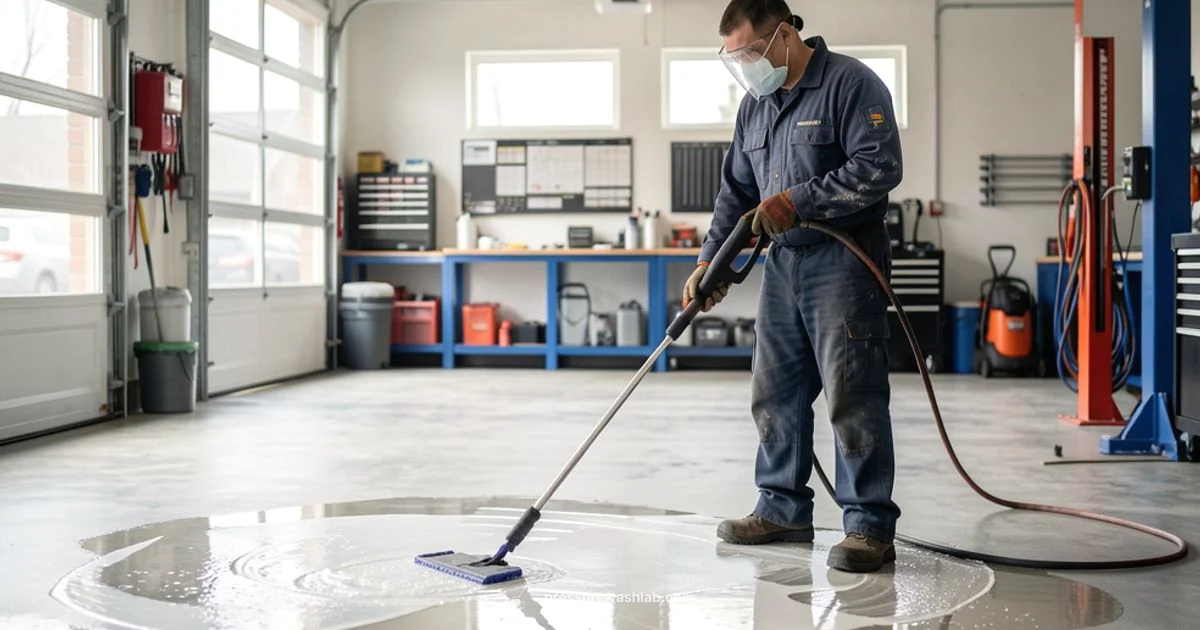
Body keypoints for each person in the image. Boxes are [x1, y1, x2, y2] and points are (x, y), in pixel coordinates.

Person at [683, 0, 904, 573]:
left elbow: (880, 166)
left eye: (752, 53)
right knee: (774, 389)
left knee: (851, 391)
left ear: (783, 35)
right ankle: (781, 509)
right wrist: (711, 263)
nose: (747, 67)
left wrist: (798, 201)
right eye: (736, 59)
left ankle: (868, 527)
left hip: (845, 261)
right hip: (783, 266)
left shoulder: (850, 84)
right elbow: (736, 192)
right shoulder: (755, 106)